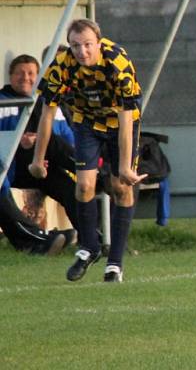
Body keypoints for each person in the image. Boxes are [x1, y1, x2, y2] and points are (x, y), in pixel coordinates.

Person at [32, 19, 143, 283]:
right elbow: (47, 115)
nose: (82, 52)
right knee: (83, 186)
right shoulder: (61, 65)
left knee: (121, 187)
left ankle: (115, 263)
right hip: (87, 123)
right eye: (75, 46)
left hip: (120, 123)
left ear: (99, 42)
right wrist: (38, 159)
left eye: (88, 45)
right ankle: (89, 247)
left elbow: (128, 120)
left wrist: (126, 167)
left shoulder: (118, 63)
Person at [0, 54, 78, 230]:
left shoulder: (48, 104)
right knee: (47, 140)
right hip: (13, 169)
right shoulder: (3, 102)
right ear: (10, 76)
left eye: (31, 73)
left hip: (44, 168)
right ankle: (92, 170)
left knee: (71, 189)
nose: (25, 78)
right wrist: (18, 141)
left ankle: (92, 238)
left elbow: (68, 140)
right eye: (20, 73)